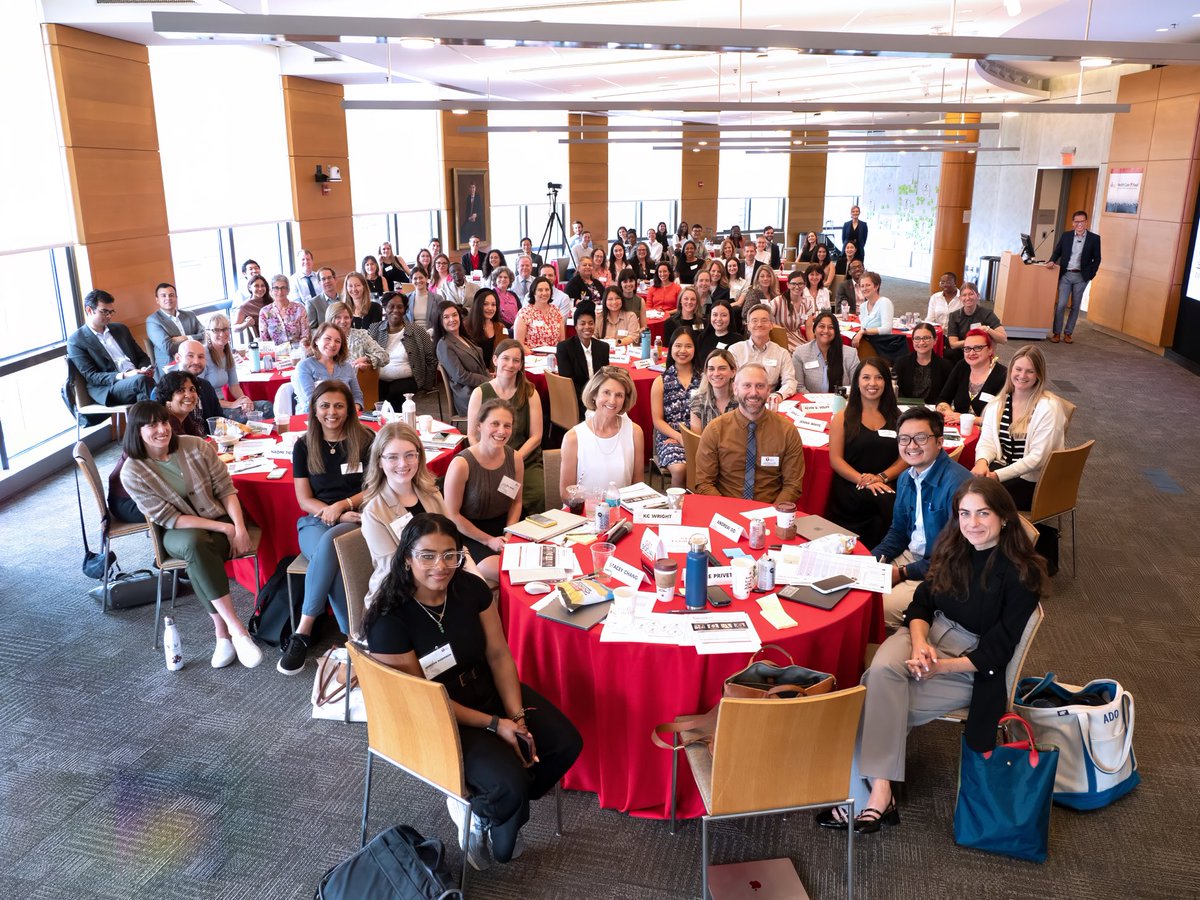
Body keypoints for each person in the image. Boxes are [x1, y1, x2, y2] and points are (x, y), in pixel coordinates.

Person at [817, 478, 1045, 834]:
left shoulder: (1022, 572)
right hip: (923, 633)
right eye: (965, 513)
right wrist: (921, 642)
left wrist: (941, 666)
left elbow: (998, 649)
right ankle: (881, 791)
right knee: (880, 679)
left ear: (1004, 516)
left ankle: (868, 798)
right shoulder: (954, 546)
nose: (972, 523)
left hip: (972, 662)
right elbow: (921, 603)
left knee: (871, 695)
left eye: (983, 513)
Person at [364, 513, 582, 868]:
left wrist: (516, 718)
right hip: (437, 714)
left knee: (565, 743)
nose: (441, 566)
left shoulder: (471, 589)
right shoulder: (390, 620)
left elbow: (498, 655)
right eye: (428, 555)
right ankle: (491, 808)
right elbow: (424, 701)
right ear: (406, 557)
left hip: (485, 687)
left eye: (451, 555)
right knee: (508, 785)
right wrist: (496, 725)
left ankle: (488, 805)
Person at [119, 401, 263, 669]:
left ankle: (222, 634)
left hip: (216, 519)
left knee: (199, 554)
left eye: (164, 422)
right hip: (176, 531)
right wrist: (224, 528)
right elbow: (168, 517)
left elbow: (226, 489)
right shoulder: (133, 471)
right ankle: (237, 629)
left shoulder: (195, 446)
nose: (162, 430)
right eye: (152, 425)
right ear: (136, 431)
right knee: (195, 544)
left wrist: (239, 528)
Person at [276, 380, 373, 676]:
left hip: (360, 519)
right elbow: (304, 499)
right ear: (315, 410)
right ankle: (356, 636)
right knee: (331, 548)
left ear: (349, 409)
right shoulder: (304, 446)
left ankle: (303, 632)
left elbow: (373, 489)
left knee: (330, 548)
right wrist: (331, 513)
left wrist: (342, 506)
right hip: (316, 521)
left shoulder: (365, 439)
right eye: (325, 406)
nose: (332, 412)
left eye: (339, 405)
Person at [871, 407, 973, 627]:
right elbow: (898, 531)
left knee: (877, 610)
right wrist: (872, 559)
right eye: (905, 439)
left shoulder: (960, 486)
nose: (912, 446)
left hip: (944, 571)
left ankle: (900, 651)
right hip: (912, 557)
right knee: (857, 589)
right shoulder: (906, 477)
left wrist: (903, 573)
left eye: (921, 438)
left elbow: (957, 555)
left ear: (939, 442)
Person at [971, 346, 1066, 570]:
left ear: (1039, 375)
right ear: (1010, 369)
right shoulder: (999, 403)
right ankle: (987, 552)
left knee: (981, 498)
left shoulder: (1048, 408)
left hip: (1035, 481)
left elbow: (1036, 460)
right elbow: (987, 442)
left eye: (1030, 371)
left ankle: (993, 559)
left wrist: (995, 475)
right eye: (1018, 369)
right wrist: (982, 462)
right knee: (969, 489)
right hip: (1004, 469)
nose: (1022, 376)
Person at [360, 423, 454, 606]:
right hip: (398, 594)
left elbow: (454, 543)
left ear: (419, 457)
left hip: (441, 580)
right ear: (379, 461)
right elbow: (394, 569)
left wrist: (474, 575)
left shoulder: (432, 494)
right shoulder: (373, 512)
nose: (403, 464)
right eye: (393, 457)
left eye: (410, 455)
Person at [695, 363, 804, 503]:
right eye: (747, 386)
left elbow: (792, 486)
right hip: (725, 511)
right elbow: (704, 483)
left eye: (760, 386)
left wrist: (773, 514)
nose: (753, 393)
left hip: (769, 510)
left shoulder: (787, 432)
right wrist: (728, 513)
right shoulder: (716, 430)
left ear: (768, 390)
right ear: (735, 389)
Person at [444, 398, 524, 584]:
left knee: (539, 563)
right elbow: (452, 515)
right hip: (468, 532)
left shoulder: (516, 458)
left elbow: (516, 501)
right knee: (507, 573)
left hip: (506, 526)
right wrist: (488, 540)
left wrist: (509, 533)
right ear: (479, 426)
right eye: (494, 424)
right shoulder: (461, 464)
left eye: (507, 425)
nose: (501, 431)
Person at [827, 358, 904, 548]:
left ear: (886, 382)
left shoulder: (898, 417)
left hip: (886, 482)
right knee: (883, 502)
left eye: (879, 378)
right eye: (866, 377)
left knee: (887, 501)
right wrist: (864, 480)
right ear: (857, 382)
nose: (872, 383)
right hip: (852, 485)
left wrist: (881, 478)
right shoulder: (842, 417)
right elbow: (835, 460)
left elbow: (905, 458)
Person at [467, 340, 545, 513]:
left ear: (521, 365)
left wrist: (513, 460)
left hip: (524, 458)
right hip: (487, 459)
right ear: (495, 360)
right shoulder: (480, 392)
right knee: (488, 496)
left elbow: (536, 436)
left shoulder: (530, 393)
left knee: (538, 494)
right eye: (505, 358)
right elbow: (472, 435)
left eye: (516, 360)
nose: (510, 364)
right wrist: (484, 460)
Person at [560, 367, 643, 496]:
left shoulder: (634, 432)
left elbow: (638, 486)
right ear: (594, 394)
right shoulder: (573, 438)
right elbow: (566, 494)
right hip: (584, 512)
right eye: (606, 392)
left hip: (621, 511)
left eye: (619, 395)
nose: (612, 401)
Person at [67, 289, 154, 407]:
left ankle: (146, 423)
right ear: (89, 310)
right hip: (110, 387)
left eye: (111, 312)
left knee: (158, 387)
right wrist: (125, 375)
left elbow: (141, 356)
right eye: (104, 312)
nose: (109, 316)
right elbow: (92, 376)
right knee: (142, 382)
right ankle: (163, 422)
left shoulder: (120, 329)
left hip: (137, 379)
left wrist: (144, 368)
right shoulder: (76, 340)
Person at [649, 329, 701, 488]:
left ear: (695, 349)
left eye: (688, 346)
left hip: (701, 435)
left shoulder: (705, 378)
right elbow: (657, 420)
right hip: (669, 436)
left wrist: (693, 438)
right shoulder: (661, 381)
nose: (683, 351)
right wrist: (679, 437)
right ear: (670, 349)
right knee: (680, 469)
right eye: (678, 346)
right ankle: (676, 508)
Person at [367, 292, 438, 407]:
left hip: (407, 380)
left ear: (405, 309)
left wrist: (427, 385)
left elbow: (432, 358)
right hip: (378, 379)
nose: (395, 310)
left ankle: (396, 422)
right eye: (391, 306)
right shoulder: (374, 329)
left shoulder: (417, 331)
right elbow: (365, 355)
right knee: (373, 394)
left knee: (394, 394)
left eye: (400, 307)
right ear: (385, 308)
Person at [201, 314, 273, 422]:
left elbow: (234, 386)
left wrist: (244, 400)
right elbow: (202, 397)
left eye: (225, 329)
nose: (222, 333)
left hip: (224, 405)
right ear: (208, 333)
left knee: (266, 406)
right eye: (216, 330)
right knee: (252, 416)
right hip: (212, 409)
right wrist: (232, 404)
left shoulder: (227, 351)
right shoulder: (203, 355)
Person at [1046, 209, 1102, 343]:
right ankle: (1057, 333)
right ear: (1073, 223)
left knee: (1075, 306)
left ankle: (1068, 333)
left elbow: (1097, 259)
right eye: (1077, 222)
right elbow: (1057, 252)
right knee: (1061, 305)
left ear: (1086, 222)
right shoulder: (1066, 236)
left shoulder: (1094, 238)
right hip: (1066, 275)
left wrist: (1090, 276)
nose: (1079, 224)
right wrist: (1052, 260)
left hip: (1081, 278)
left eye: (1082, 221)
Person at [936, 328, 1007, 424]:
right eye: (967, 349)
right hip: (959, 429)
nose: (971, 353)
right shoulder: (962, 366)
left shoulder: (1002, 375)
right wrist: (949, 414)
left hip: (987, 433)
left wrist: (967, 419)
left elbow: (1004, 418)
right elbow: (943, 399)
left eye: (978, 348)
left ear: (990, 350)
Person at [433, 300, 490, 416]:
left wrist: (491, 376)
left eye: (454, 315)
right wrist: (488, 381)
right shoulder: (444, 344)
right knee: (508, 395)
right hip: (468, 394)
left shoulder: (464, 337)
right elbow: (461, 376)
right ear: (440, 321)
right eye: (446, 317)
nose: (452, 320)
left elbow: (478, 365)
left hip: (480, 387)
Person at [730, 304, 798, 401]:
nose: (759, 324)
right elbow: (730, 381)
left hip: (769, 401)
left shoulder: (782, 353)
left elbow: (790, 381)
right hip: (741, 401)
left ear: (771, 325)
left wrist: (779, 395)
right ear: (748, 326)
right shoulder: (735, 350)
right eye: (754, 321)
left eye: (764, 320)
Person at [555, 302, 609, 417]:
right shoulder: (564, 348)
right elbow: (568, 384)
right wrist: (590, 399)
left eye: (590, 323)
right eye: (582, 323)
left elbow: (605, 378)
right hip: (577, 401)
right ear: (575, 326)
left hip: (600, 398)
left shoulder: (603, 347)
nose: (587, 327)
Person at [293, 323, 363, 411]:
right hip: (312, 419)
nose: (332, 344)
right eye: (328, 338)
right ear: (317, 340)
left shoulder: (347, 367)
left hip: (345, 417)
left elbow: (357, 396)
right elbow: (309, 403)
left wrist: (355, 408)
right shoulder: (304, 366)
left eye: (337, 341)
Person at [793, 311, 858, 395]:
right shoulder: (800, 353)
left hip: (841, 402)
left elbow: (856, 384)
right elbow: (799, 386)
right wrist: (815, 403)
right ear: (814, 329)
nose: (826, 331)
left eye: (831, 327)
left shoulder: (850, 354)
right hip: (810, 404)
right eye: (822, 326)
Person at [146, 283, 204, 375]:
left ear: (176, 298)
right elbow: (168, 347)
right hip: (171, 369)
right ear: (157, 300)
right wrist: (195, 341)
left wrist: (186, 338)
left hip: (195, 364)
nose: (168, 298)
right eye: (163, 296)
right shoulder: (153, 321)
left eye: (171, 295)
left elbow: (205, 335)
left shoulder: (190, 315)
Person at [851, 271, 907, 363]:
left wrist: (863, 332)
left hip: (884, 347)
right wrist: (862, 332)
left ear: (876, 286)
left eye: (868, 285)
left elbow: (886, 328)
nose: (864, 288)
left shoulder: (884, 302)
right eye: (862, 286)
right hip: (869, 344)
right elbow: (863, 327)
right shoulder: (863, 306)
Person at [945, 282, 1007, 358]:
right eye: (964, 295)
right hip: (961, 353)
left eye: (971, 294)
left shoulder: (987, 314)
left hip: (980, 353)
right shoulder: (954, 315)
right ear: (960, 298)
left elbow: (1003, 339)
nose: (967, 298)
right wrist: (973, 343)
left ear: (977, 296)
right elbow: (953, 344)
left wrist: (987, 329)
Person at [894, 321, 951, 403]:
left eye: (926, 338)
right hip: (905, 409)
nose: (921, 342)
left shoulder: (945, 366)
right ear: (912, 340)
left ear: (935, 340)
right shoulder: (902, 363)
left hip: (933, 411)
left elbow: (947, 394)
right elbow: (894, 389)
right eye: (917, 338)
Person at [170, 341, 223, 427]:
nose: (196, 361)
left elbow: (219, 419)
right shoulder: (166, 387)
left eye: (201, 357)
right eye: (190, 356)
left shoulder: (206, 386)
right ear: (177, 358)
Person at [326, 301, 389, 374]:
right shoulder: (323, 338)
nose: (343, 321)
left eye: (346, 317)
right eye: (338, 317)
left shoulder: (361, 335)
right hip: (330, 382)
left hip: (357, 382)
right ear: (330, 318)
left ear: (351, 319)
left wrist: (367, 359)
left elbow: (385, 357)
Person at [689, 348, 738, 432]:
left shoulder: (742, 403)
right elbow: (696, 441)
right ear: (706, 372)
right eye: (711, 369)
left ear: (733, 372)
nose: (716, 373)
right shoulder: (697, 402)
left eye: (722, 368)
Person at [512, 275, 565, 352]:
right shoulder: (524, 313)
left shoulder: (556, 311)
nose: (544, 293)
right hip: (532, 358)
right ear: (533, 292)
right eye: (540, 290)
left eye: (547, 290)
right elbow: (518, 343)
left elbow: (562, 341)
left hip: (553, 357)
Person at [774, 270, 819, 352]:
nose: (797, 287)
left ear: (805, 285)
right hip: (779, 339)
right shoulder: (778, 301)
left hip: (797, 337)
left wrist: (814, 347)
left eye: (800, 283)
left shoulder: (807, 303)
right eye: (793, 284)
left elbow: (809, 329)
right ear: (788, 285)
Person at [259, 275, 311, 347]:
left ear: (288, 290)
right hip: (275, 353)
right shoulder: (265, 312)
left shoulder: (299, 308)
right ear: (271, 291)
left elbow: (306, 335)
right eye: (276, 288)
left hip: (297, 352)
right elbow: (264, 340)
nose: (280, 291)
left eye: (283, 288)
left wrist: (300, 349)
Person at [152, 370, 207, 438]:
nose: (189, 395)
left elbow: (198, 441)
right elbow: (187, 446)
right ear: (167, 396)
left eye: (192, 389)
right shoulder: (165, 421)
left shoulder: (184, 416)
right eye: (180, 390)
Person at [463, 288, 508, 364]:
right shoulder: (465, 326)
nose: (490, 308)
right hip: (474, 373)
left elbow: (504, 353)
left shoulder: (501, 327)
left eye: (493, 305)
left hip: (495, 372)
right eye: (485, 304)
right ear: (478, 305)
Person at [695, 299, 745, 363]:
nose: (718, 319)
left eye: (724, 315)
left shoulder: (738, 340)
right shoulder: (702, 337)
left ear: (730, 317)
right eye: (715, 315)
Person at [234, 274, 270, 339]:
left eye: (263, 286)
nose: (260, 289)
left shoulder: (271, 302)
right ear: (250, 287)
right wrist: (245, 324)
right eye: (256, 286)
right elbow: (235, 328)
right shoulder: (244, 306)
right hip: (262, 342)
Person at [308, 267, 341, 333]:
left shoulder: (345, 298)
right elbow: (311, 330)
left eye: (329, 278)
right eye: (323, 279)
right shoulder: (313, 303)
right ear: (319, 283)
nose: (327, 281)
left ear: (335, 279)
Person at [406, 268, 438, 333]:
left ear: (426, 278)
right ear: (411, 280)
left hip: (432, 334)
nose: (418, 281)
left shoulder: (437, 298)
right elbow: (404, 320)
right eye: (415, 278)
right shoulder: (406, 298)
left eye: (421, 277)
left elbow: (442, 319)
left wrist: (433, 330)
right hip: (412, 335)